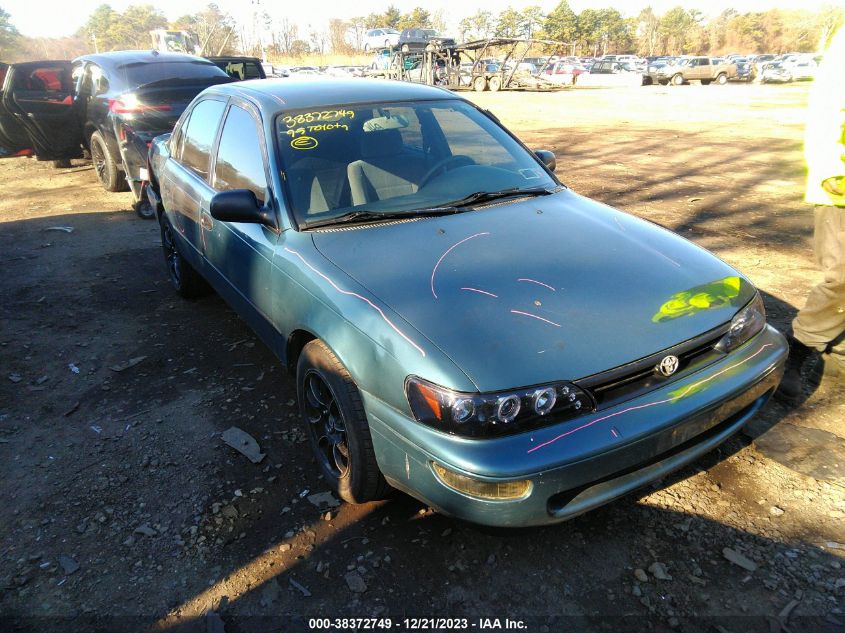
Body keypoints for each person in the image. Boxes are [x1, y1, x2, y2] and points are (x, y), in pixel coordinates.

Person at [777, 27, 845, 402]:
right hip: (842, 185)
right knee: (842, 278)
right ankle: (801, 347)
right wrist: (829, 167)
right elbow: (828, 103)